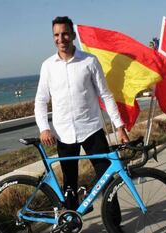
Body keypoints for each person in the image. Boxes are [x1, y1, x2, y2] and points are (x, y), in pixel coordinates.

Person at [34, 16, 129, 230]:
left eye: (65, 34)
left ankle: (115, 226)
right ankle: (70, 223)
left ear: (73, 36)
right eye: (57, 35)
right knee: (69, 183)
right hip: (63, 134)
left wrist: (119, 127)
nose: (61, 39)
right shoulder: (48, 66)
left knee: (108, 179)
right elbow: (41, 100)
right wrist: (44, 128)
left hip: (92, 129)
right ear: (53, 38)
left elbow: (105, 95)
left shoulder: (89, 61)